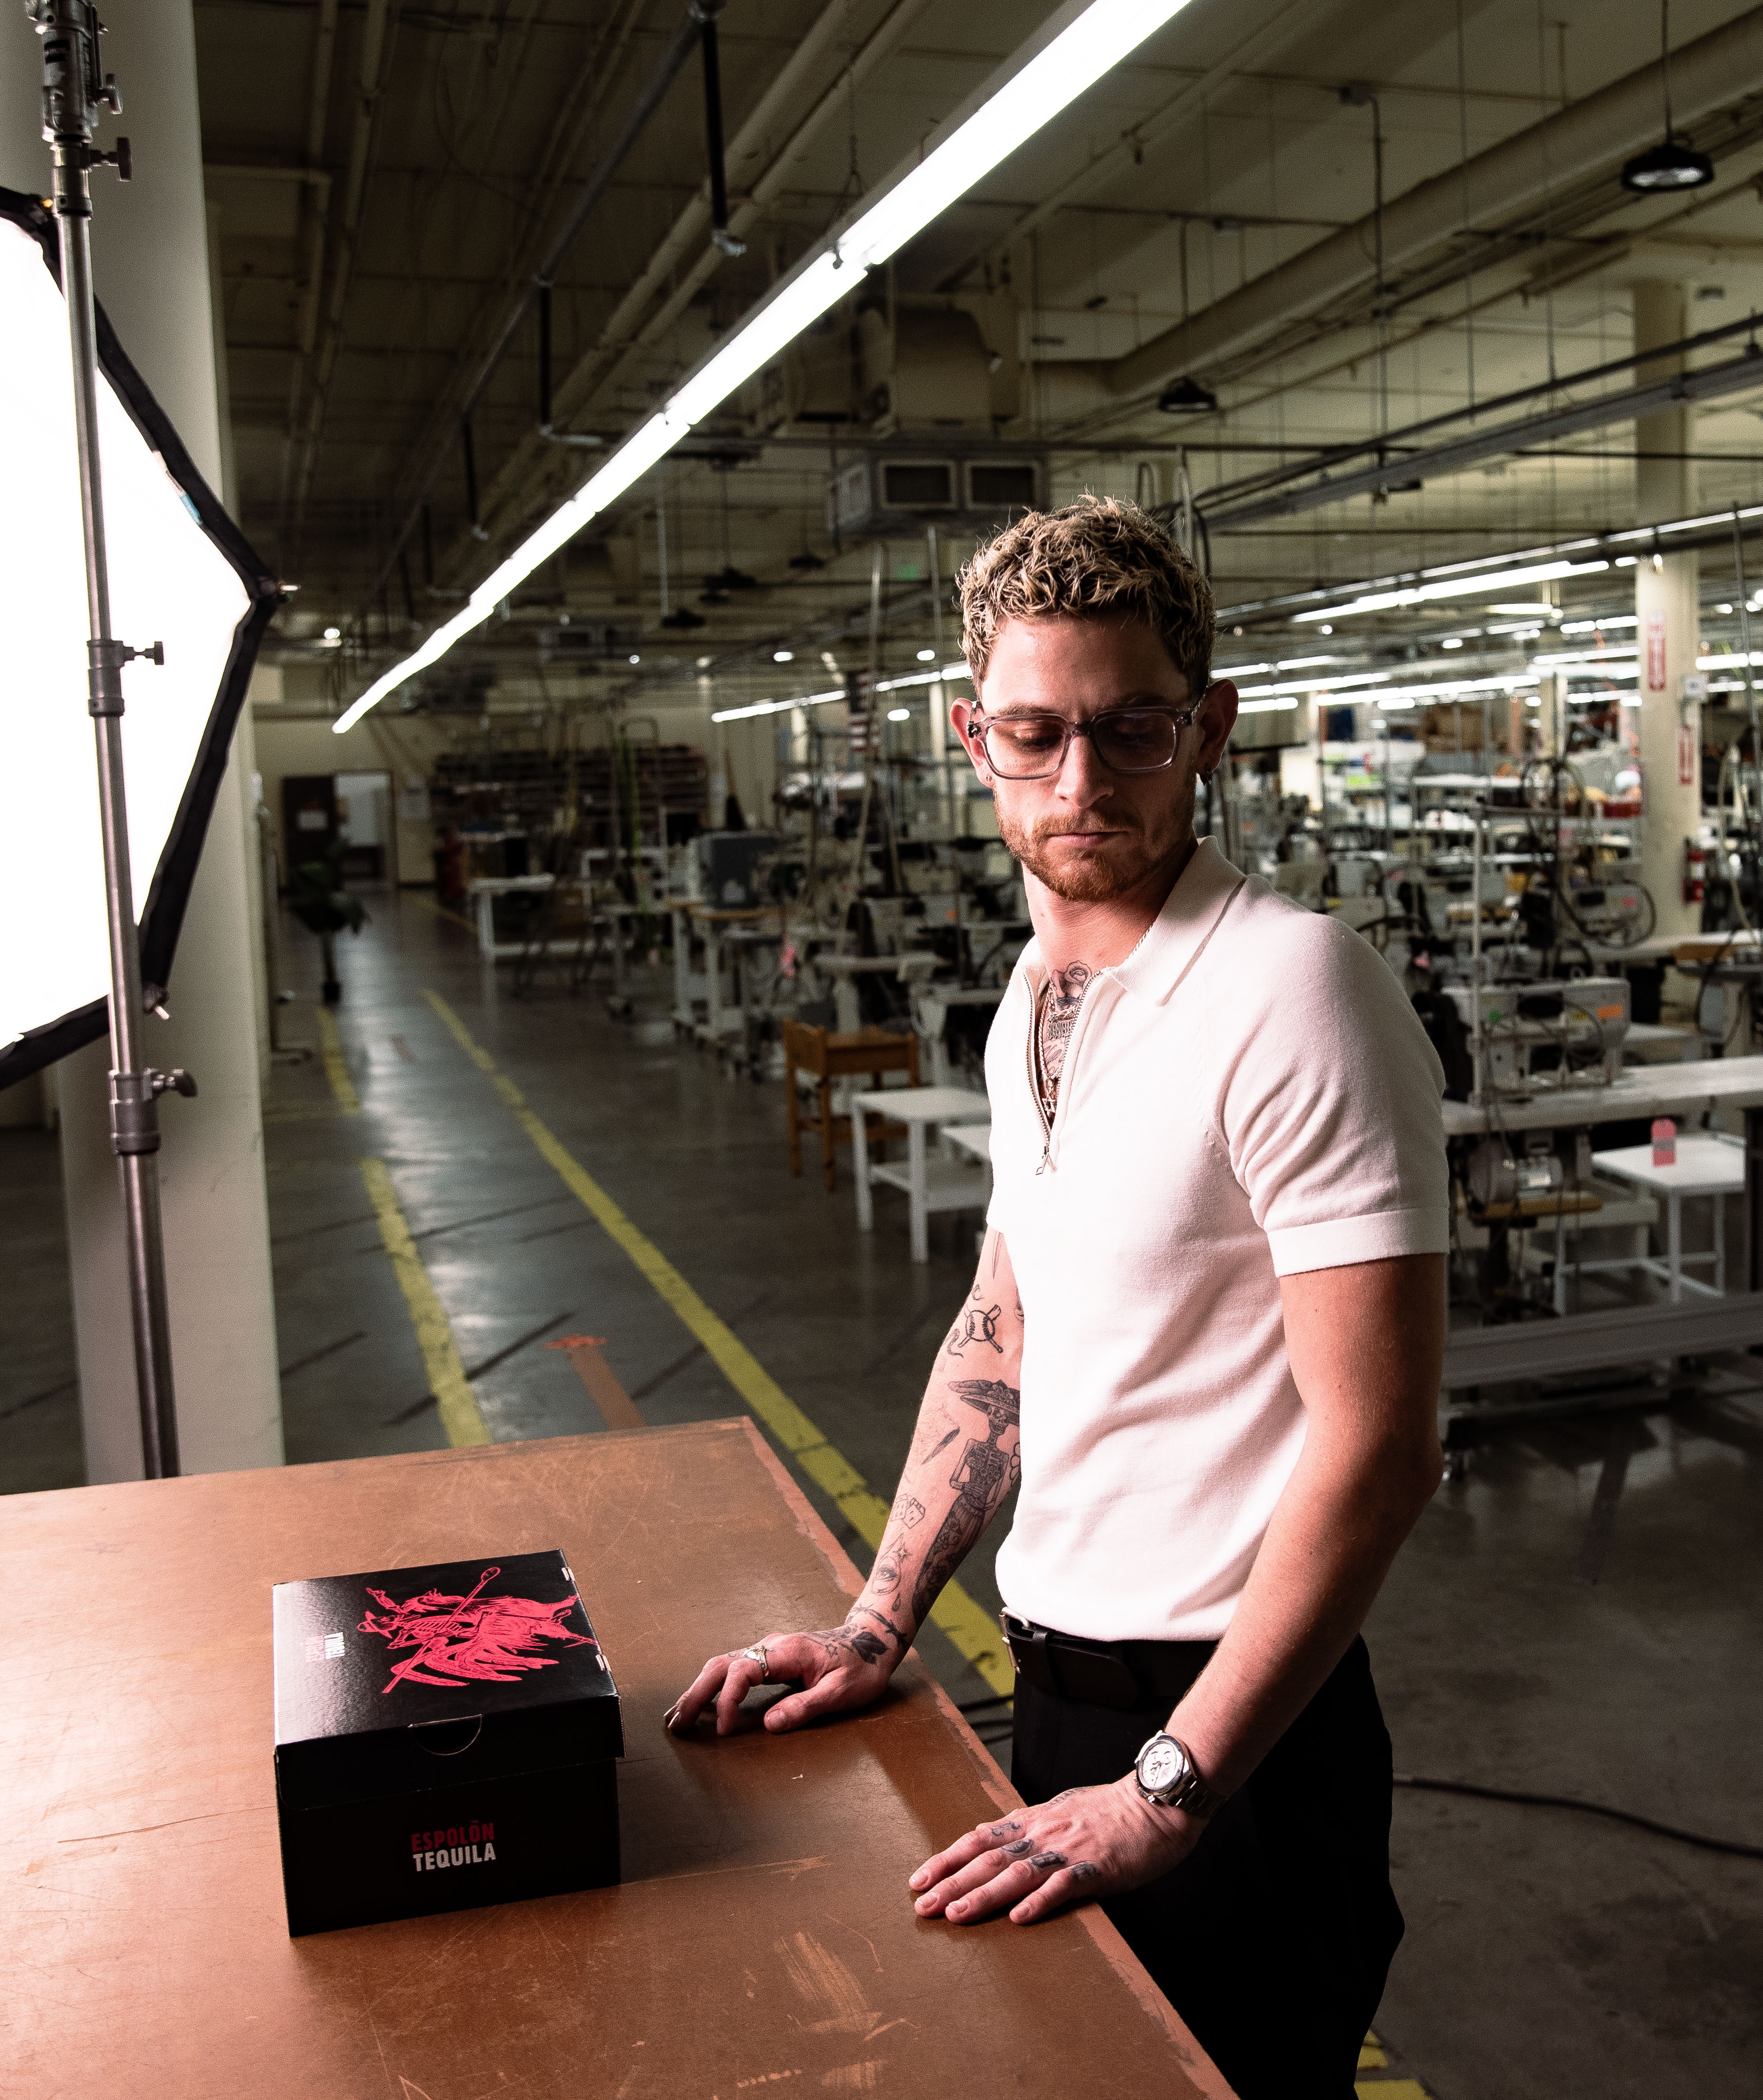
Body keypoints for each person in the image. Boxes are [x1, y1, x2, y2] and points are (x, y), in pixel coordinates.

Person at [665, 496, 1450, 2096]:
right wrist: (878, 1622)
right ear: (976, 739)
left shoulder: (1295, 990)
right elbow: (1009, 1319)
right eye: (1036, 735)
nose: (1083, 782)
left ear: (1208, 727)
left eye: (1132, 731)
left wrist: (1168, 1791)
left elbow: (1381, 1450)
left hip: (1236, 1725)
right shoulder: (1034, 996)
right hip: (1061, 1683)